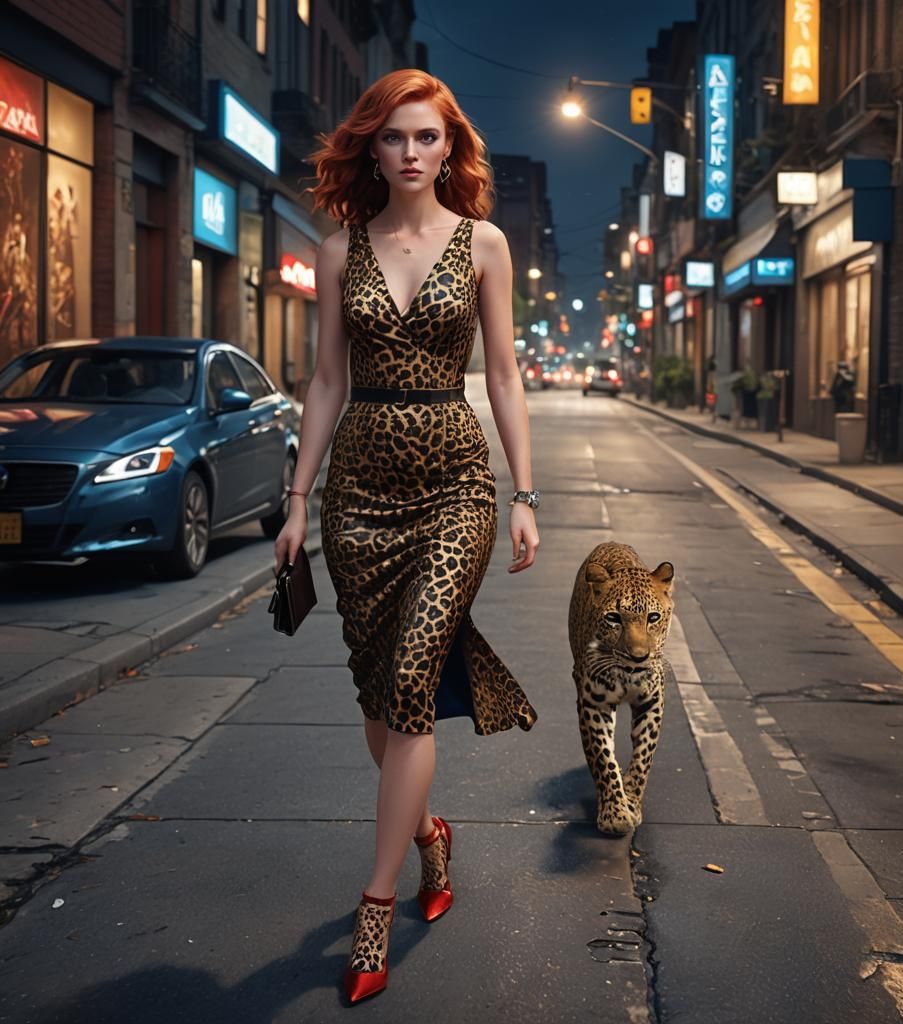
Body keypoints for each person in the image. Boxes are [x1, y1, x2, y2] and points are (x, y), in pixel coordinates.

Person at [274, 69, 540, 1004]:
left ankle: (375, 907)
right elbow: (326, 381)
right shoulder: (338, 249)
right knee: (381, 698)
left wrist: (523, 493)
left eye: (428, 136)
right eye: (395, 137)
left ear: (450, 146)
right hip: (359, 491)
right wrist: (298, 500)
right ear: (373, 149)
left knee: (417, 679)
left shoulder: (486, 243)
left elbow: (502, 375)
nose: (412, 152)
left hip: (456, 485)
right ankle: (428, 835)